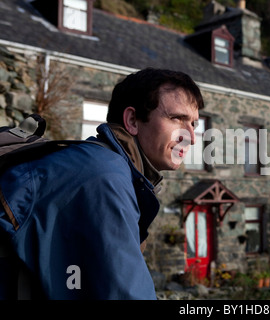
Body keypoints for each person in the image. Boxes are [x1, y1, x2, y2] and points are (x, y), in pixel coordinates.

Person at [0, 67, 204, 299]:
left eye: (194, 124)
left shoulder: (107, 166)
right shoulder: (103, 175)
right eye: (177, 118)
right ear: (132, 120)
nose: (191, 137)